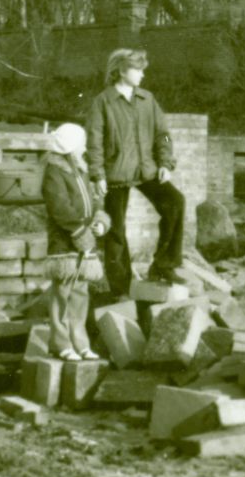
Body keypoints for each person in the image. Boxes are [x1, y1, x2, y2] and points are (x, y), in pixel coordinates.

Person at [86, 48, 185, 297]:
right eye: (137, 70)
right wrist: (97, 175)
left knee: (175, 202)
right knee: (115, 230)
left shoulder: (147, 99)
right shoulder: (102, 102)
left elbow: (163, 134)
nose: (142, 74)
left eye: (143, 70)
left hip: (147, 169)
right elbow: (94, 142)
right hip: (115, 175)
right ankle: (120, 288)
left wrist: (165, 163)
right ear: (121, 71)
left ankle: (164, 265)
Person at [41, 123, 110, 362]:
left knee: (80, 294)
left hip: (84, 241)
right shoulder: (54, 172)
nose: (84, 147)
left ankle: (80, 344)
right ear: (70, 146)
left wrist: (99, 222)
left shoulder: (80, 170)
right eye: (81, 143)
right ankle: (60, 344)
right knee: (62, 293)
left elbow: (95, 200)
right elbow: (60, 208)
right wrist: (80, 232)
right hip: (65, 242)